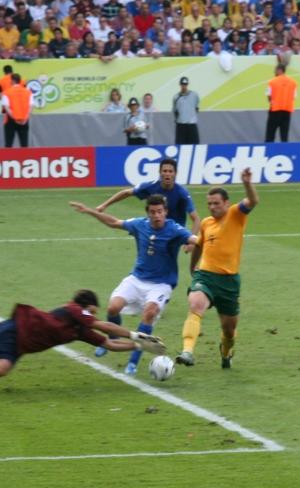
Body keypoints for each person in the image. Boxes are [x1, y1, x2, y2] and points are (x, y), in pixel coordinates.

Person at [69, 195, 197, 374]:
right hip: (137, 278)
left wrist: (202, 244)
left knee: (149, 313)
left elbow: (196, 240)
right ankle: (112, 339)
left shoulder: (175, 229)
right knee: (113, 308)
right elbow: (114, 222)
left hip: (161, 284)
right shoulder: (139, 224)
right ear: (148, 213)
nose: (157, 215)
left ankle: (133, 362)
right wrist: (90, 211)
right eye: (153, 212)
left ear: (165, 212)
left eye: (160, 211)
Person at [0, 289, 164, 382]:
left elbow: (110, 344)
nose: (93, 315)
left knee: (0, 369)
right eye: (92, 311)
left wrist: (139, 347)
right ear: (85, 307)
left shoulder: (80, 330)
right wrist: (136, 335)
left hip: (19, 346)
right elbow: (104, 326)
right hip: (14, 329)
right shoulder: (74, 309)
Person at [177, 168, 259, 369]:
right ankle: (187, 351)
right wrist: (193, 267)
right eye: (209, 204)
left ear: (226, 203)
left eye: (216, 203)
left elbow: (253, 201)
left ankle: (226, 351)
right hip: (206, 276)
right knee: (195, 305)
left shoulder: (235, 214)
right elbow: (199, 246)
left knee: (229, 330)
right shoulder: (206, 223)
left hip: (229, 281)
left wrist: (247, 183)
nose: (212, 207)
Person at [96, 156, 198, 227]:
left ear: (175, 173)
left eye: (170, 171)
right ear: (160, 172)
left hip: (175, 232)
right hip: (155, 228)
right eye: (165, 171)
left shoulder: (182, 193)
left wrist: (191, 241)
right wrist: (104, 205)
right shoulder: (151, 187)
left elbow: (196, 219)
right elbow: (126, 193)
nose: (167, 174)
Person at [265, 64, 297, 142]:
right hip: (287, 111)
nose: (274, 72)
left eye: (275, 70)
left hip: (275, 110)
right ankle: (284, 148)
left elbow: (269, 95)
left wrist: (272, 102)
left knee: (270, 133)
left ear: (279, 70)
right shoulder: (293, 82)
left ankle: (269, 148)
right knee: (284, 134)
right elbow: (294, 96)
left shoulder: (272, 81)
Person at [2, 72, 32, 147]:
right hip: (24, 120)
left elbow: (7, 108)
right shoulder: (28, 92)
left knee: (8, 145)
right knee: (24, 144)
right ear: (19, 81)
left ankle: (8, 156)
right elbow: (30, 107)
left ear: (12, 81)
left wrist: (15, 119)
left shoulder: (6, 92)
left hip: (10, 120)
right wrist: (25, 118)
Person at [172, 76, 200, 144]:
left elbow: (196, 107)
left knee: (194, 144)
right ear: (180, 85)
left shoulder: (194, 95)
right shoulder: (176, 97)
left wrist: (191, 116)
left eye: (185, 84)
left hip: (192, 124)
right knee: (180, 144)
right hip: (181, 124)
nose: (184, 86)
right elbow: (175, 110)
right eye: (182, 84)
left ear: (187, 84)